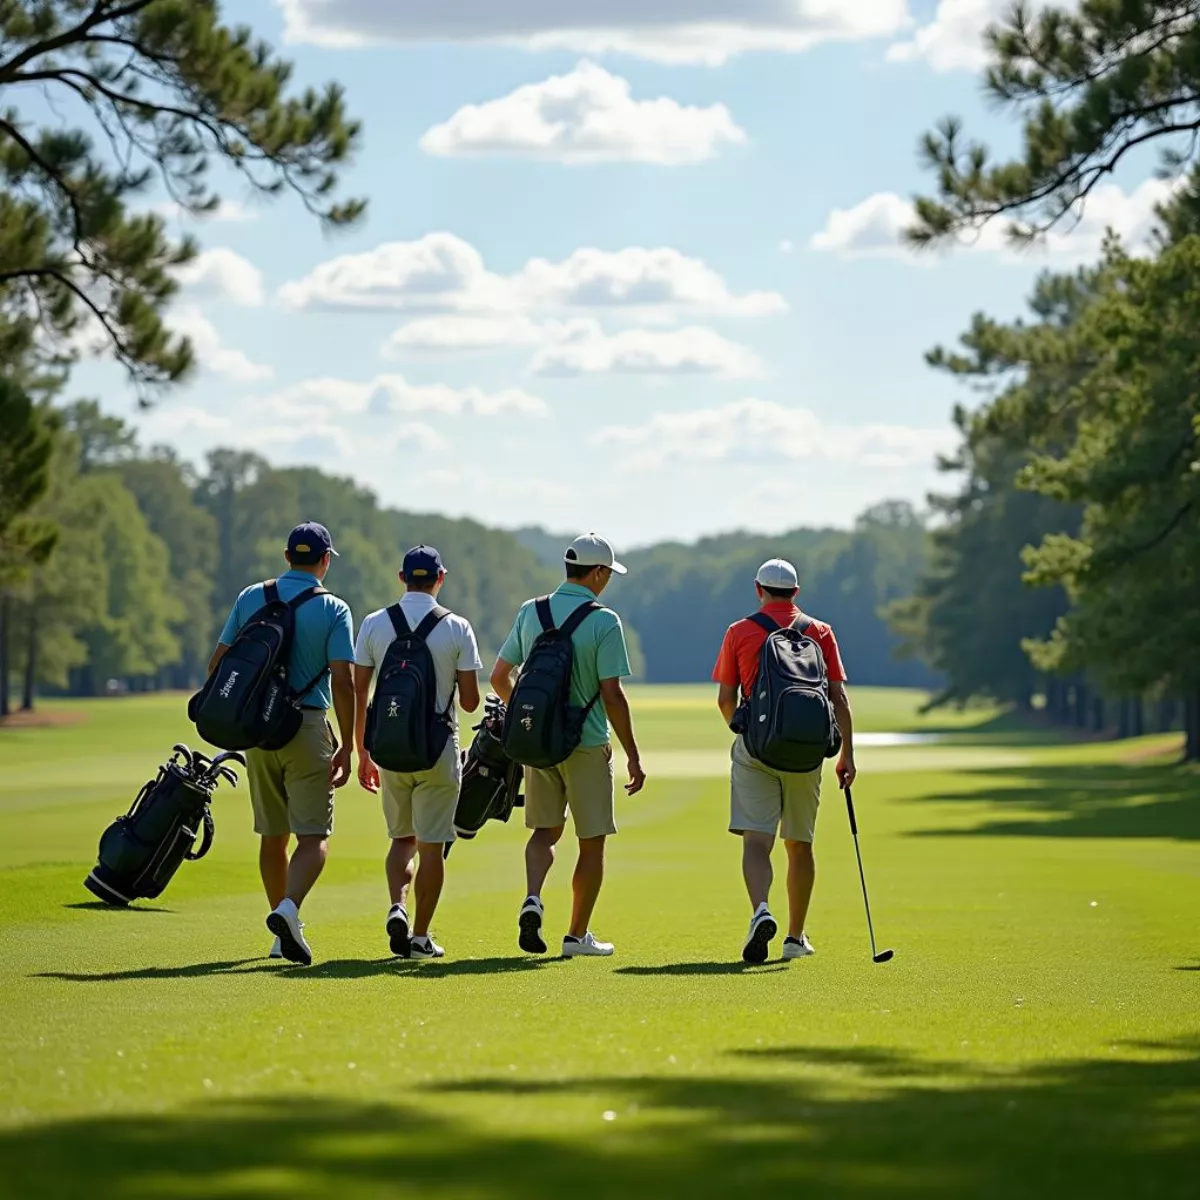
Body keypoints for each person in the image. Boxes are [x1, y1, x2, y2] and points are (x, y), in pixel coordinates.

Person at [491, 533, 645, 959]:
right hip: (587, 743)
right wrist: (632, 753)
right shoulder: (604, 621)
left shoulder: (530, 611)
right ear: (596, 573)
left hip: (539, 745)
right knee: (592, 840)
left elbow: (500, 676)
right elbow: (612, 694)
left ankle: (534, 898)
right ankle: (576, 936)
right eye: (608, 574)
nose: (608, 581)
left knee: (544, 832)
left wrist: (533, 721)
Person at [207, 522, 355, 966]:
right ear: (325, 560)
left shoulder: (252, 597)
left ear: (287, 555)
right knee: (314, 836)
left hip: (257, 730)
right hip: (307, 726)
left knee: (273, 836)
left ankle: (279, 927)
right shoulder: (333, 607)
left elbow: (219, 662)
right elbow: (344, 681)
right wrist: (350, 744)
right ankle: (289, 910)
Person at [712, 558, 855, 963]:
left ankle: (761, 910)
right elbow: (838, 698)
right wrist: (847, 753)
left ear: (758, 589)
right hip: (807, 754)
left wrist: (745, 731)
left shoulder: (739, 631)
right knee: (800, 844)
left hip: (756, 750)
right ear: (796, 592)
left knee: (757, 841)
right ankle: (795, 937)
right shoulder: (820, 631)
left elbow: (725, 699)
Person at [354, 545, 482, 960]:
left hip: (390, 751)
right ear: (440, 577)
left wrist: (362, 751)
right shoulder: (458, 627)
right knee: (432, 846)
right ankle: (421, 937)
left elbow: (360, 691)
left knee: (400, 839)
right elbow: (468, 703)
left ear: (401, 577)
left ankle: (397, 905)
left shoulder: (375, 623)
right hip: (438, 749)